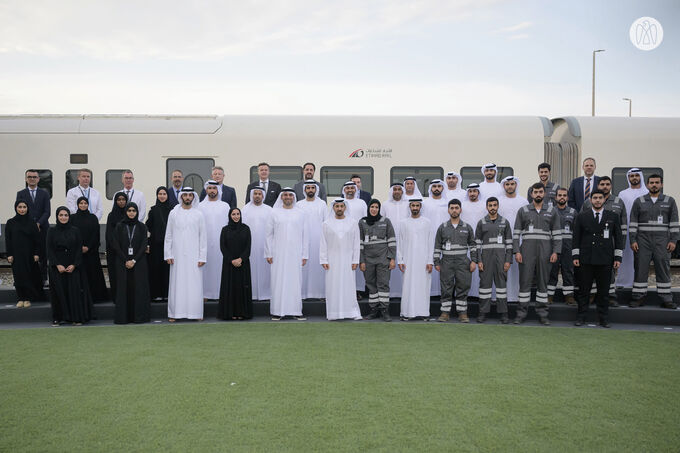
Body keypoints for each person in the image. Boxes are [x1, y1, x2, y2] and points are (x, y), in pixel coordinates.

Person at [572, 190, 624, 328]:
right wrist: (575, 256)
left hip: (605, 259)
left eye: (600, 198)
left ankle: (603, 319)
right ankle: (581, 317)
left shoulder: (612, 216)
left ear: (604, 200)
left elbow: (618, 238)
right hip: (586, 259)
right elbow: (576, 237)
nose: (597, 200)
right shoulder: (582, 216)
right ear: (590, 200)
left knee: (604, 292)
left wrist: (618, 257)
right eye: (595, 198)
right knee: (584, 291)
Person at [513, 183, 562, 325]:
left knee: (543, 283)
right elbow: (516, 233)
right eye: (536, 192)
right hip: (526, 251)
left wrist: (556, 251)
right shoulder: (523, 210)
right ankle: (521, 313)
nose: (538, 194)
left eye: (541, 191)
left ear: (544, 194)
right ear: (532, 194)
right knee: (525, 283)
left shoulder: (552, 211)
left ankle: (543, 314)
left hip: (546, 252)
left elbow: (557, 234)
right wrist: (517, 251)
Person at [629, 174, 679, 309]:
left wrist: (674, 240)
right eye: (651, 183)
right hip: (642, 241)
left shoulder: (670, 201)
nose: (654, 185)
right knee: (640, 269)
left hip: (662, 242)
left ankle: (666, 299)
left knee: (663, 269)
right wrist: (632, 240)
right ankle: (638, 297)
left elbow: (674, 223)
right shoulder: (639, 201)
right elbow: (633, 223)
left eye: (657, 182)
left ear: (661, 185)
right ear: (647, 184)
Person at [581, 176, 627, 305]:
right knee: (592, 269)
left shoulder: (619, 202)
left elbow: (622, 226)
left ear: (611, 186)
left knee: (610, 271)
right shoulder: (588, 203)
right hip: (592, 242)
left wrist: (620, 246)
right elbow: (581, 223)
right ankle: (592, 294)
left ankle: (610, 295)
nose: (605, 186)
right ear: (598, 186)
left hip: (610, 242)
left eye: (607, 184)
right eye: (602, 184)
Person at [265, 188, 309, 320]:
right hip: (278, 254)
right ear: (281, 197)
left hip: (296, 254)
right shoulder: (274, 213)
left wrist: (304, 255)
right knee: (278, 281)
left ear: (294, 197)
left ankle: (296, 311)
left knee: (295, 282)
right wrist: (269, 253)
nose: (288, 197)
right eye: (285, 195)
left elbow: (305, 235)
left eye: (290, 195)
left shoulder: (301, 213)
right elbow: (268, 234)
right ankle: (277, 311)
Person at [164, 187, 207, 321]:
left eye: (190, 195)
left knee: (194, 284)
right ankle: (175, 314)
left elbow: (203, 237)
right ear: (181, 196)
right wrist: (168, 254)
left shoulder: (199, 214)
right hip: (177, 256)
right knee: (177, 284)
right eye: (185, 195)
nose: (187, 197)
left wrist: (202, 257)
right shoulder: (173, 213)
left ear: (193, 197)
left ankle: (195, 314)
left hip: (195, 257)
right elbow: (169, 235)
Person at [47, 207, 93, 326]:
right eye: (61, 215)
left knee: (74, 292)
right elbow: (49, 249)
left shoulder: (75, 230)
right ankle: (58, 318)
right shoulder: (51, 231)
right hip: (57, 266)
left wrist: (74, 264)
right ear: (57, 216)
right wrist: (57, 264)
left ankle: (75, 317)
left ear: (69, 217)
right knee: (58, 292)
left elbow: (79, 249)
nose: (63, 217)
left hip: (73, 265)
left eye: (66, 215)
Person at [434, 199, 477, 323]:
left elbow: (473, 245)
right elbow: (437, 246)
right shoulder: (442, 227)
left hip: (463, 261)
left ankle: (462, 313)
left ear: (460, 210)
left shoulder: (467, 227)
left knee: (463, 287)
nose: (454, 210)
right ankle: (445, 313)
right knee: (446, 287)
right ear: (448, 210)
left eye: (456, 208)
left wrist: (474, 261)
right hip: (446, 262)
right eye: (452, 208)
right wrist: (436, 262)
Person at [320, 199, 363, 320]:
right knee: (333, 286)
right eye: (337, 206)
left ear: (345, 208)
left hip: (348, 261)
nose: (339, 208)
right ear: (333, 208)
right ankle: (334, 313)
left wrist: (355, 260)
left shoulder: (353, 223)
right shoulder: (326, 224)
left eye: (341, 206)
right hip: (332, 261)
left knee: (348, 286)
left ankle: (350, 312)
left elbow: (356, 243)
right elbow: (323, 243)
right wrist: (324, 260)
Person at [111, 202, 150, 324]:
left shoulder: (142, 227)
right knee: (124, 289)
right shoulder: (119, 226)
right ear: (126, 212)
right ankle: (124, 318)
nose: (131, 213)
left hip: (138, 262)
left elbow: (144, 244)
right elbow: (115, 244)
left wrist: (133, 260)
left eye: (134, 211)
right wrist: (125, 260)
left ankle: (139, 317)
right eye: (129, 211)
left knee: (138, 289)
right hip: (122, 262)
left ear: (137, 212)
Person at [475, 197, 512, 323]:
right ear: (487, 207)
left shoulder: (504, 222)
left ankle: (504, 314)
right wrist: (478, 260)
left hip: (501, 260)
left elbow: (509, 244)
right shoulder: (481, 223)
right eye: (490, 205)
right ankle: (483, 313)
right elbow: (477, 245)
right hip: (485, 261)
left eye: (494, 205)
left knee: (501, 288)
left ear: (498, 206)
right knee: (484, 287)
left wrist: (508, 261)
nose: (492, 207)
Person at [359, 199, 396, 321]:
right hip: (368, 260)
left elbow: (391, 240)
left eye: (376, 207)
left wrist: (392, 258)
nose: (374, 209)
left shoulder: (386, 221)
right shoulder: (362, 222)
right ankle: (374, 310)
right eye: (372, 207)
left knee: (383, 285)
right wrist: (362, 261)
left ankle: (385, 311)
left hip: (383, 259)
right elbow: (359, 243)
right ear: (368, 208)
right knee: (371, 285)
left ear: (379, 209)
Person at [398, 198, 434, 321]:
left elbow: (431, 243)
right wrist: (400, 260)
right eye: (413, 205)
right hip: (408, 261)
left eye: (417, 205)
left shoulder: (427, 222)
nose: (415, 208)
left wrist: (430, 261)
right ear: (410, 207)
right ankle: (407, 313)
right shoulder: (403, 223)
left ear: (420, 207)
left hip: (423, 261)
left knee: (423, 286)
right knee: (408, 286)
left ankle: (423, 312)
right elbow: (400, 242)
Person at [5, 200, 44, 307]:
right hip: (16, 255)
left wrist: (37, 253)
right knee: (18, 276)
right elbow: (8, 239)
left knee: (29, 276)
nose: (22, 209)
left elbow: (37, 240)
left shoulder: (32, 222)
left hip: (29, 255)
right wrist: (9, 254)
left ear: (27, 208)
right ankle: (20, 298)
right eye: (20, 207)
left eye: (24, 207)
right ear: (16, 208)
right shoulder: (10, 222)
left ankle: (27, 298)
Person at [70, 196, 108, 302]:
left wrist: (88, 247)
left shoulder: (93, 218)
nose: (83, 205)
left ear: (88, 205)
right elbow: (71, 234)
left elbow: (95, 234)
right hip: (77, 253)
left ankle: (95, 297)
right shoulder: (72, 218)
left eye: (85, 203)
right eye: (81, 203)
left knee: (93, 275)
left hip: (91, 252)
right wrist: (79, 247)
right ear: (77, 205)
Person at [217, 208, 253, 320]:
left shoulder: (246, 229)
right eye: (233, 214)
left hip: (243, 264)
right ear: (229, 216)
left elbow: (248, 247)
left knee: (242, 288)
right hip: (229, 265)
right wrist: (231, 260)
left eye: (238, 214)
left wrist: (241, 259)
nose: (236, 216)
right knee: (230, 288)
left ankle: (242, 313)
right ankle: (230, 313)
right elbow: (223, 247)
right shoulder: (225, 230)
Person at [198, 180, 231, 300]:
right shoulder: (200, 206)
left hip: (221, 244)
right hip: (204, 243)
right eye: (210, 188)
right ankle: (205, 294)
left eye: (214, 188)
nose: (212, 190)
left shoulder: (225, 206)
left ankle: (220, 293)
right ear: (206, 190)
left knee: (220, 267)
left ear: (218, 190)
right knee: (206, 269)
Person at [498, 176, 528, 302]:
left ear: (516, 185)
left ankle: (515, 296)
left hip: (519, 240)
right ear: (504, 186)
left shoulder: (523, 201)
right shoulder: (498, 201)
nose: (510, 186)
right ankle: (499, 296)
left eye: (512, 184)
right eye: (507, 184)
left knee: (516, 269)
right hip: (501, 240)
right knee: (501, 268)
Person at [16, 169, 50, 281]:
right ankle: (30, 277)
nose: (32, 179)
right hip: (26, 229)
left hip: (43, 228)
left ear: (38, 179)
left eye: (34, 177)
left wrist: (38, 223)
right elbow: (20, 211)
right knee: (28, 252)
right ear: (26, 179)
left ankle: (44, 277)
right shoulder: (20, 194)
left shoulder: (44, 193)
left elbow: (47, 211)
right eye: (29, 177)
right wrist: (30, 225)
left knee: (43, 253)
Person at [617, 168, 648, 289]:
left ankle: (639, 284)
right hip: (626, 228)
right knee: (625, 257)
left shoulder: (646, 192)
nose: (634, 178)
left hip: (642, 230)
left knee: (641, 258)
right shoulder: (623, 193)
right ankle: (623, 283)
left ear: (640, 177)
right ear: (628, 178)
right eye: (631, 176)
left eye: (636, 175)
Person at [297, 180, 327, 299]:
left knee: (318, 268)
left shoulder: (322, 204)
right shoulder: (299, 204)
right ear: (304, 190)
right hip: (302, 239)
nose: (310, 190)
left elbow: (326, 223)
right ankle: (303, 294)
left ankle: (320, 294)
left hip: (318, 240)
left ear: (316, 190)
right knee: (304, 267)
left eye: (312, 188)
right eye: (308, 188)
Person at [242, 186, 272, 301]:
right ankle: (252, 294)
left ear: (263, 196)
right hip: (249, 246)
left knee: (265, 270)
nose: (257, 196)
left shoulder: (269, 210)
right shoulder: (245, 209)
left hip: (265, 246)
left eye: (260, 194)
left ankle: (266, 295)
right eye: (255, 194)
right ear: (251, 195)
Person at [547, 188, 577, 305]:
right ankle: (549, 296)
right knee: (552, 271)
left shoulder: (573, 212)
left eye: (564, 195)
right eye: (559, 195)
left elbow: (576, 231)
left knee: (568, 271)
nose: (562, 197)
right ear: (555, 197)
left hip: (568, 247)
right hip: (553, 246)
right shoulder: (550, 211)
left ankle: (569, 296)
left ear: (567, 198)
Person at [381, 183, 409, 298]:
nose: (397, 191)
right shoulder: (385, 205)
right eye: (395, 190)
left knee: (404, 266)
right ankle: (391, 294)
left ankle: (404, 293)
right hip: (389, 240)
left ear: (402, 192)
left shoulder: (408, 204)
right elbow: (382, 222)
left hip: (405, 239)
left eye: (399, 189)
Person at [422, 179, 449, 296]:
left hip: (446, 239)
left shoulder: (447, 202)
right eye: (434, 187)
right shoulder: (425, 203)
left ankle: (444, 292)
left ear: (443, 188)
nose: (436, 188)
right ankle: (431, 292)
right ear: (431, 189)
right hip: (429, 238)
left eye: (439, 186)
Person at [342, 180, 368, 298]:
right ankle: (346, 290)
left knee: (357, 263)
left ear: (355, 189)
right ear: (344, 190)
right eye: (347, 188)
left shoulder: (361, 202)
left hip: (359, 236)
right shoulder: (341, 203)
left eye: (352, 188)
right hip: (343, 238)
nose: (350, 190)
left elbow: (365, 219)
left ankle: (357, 291)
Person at [146, 187, 172, 300]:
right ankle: (156, 294)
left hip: (169, 245)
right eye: (160, 194)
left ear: (167, 195)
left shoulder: (173, 210)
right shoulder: (153, 210)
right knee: (155, 269)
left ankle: (167, 294)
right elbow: (148, 227)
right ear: (157, 195)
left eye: (164, 194)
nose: (162, 196)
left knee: (167, 270)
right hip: (156, 245)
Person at [461, 183, 487, 298]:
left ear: (478, 193)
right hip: (465, 241)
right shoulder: (462, 205)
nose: (472, 194)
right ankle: (467, 294)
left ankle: (477, 294)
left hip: (480, 241)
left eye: (474, 191)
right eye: (470, 191)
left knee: (480, 269)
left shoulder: (483, 205)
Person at [105, 192, 128, 300]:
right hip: (114, 251)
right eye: (119, 200)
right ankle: (116, 297)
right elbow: (109, 235)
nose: (121, 201)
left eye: (123, 199)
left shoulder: (129, 214)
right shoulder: (112, 215)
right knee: (115, 275)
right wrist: (117, 247)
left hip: (127, 251)